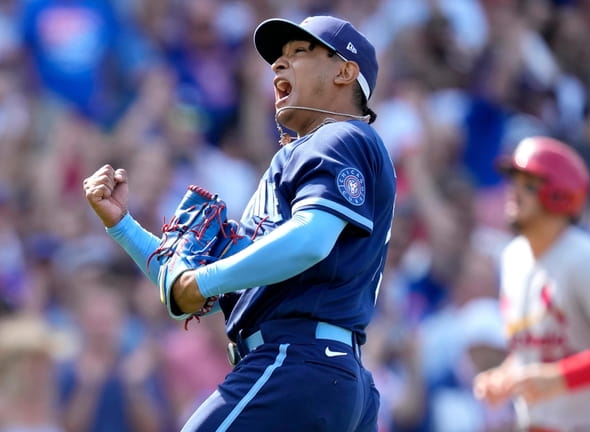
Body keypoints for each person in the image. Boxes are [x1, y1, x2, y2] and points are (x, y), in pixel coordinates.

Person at [83, 15, 395, 432]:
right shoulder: (294, 167)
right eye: (277, 59)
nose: (278, 66)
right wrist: (124, 226)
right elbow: (185, 291)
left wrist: (202, 282)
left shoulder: (338, 136)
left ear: (345, 72)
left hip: (296, 362)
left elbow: (312, 241)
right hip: (326, 373)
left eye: (298, 53)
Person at [472, 136, 590, 432]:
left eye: (528, 185)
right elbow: (536, 351)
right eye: (514, 181)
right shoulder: (512, 258)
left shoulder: (586, 259)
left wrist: (559, 379)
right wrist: (506, 377)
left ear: (560, 195)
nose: (514, 192)